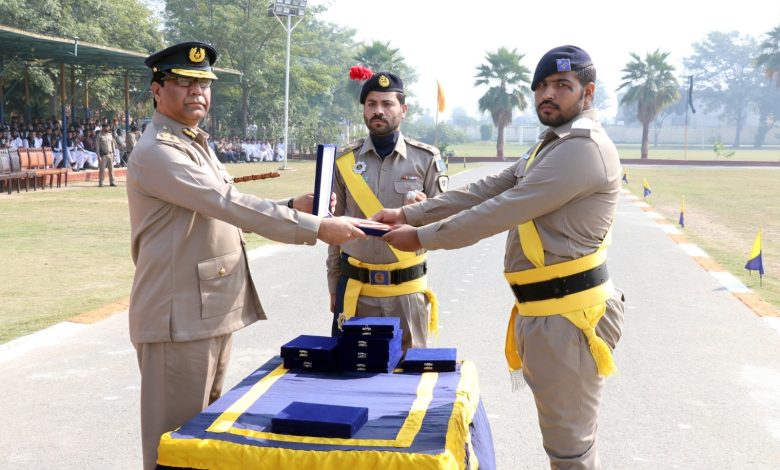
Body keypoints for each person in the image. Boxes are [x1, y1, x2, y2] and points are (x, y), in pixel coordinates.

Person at [374, 46, 625, 469]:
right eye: (542, 86)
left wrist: (419, 237)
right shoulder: (553, 144)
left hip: (570, 318)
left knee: (571, 451)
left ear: (588, 92)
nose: (548, 94)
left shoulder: (583, 148)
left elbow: (502, 209)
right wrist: (408, 213)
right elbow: (488, 187)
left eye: (562, 86)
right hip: (548, 313)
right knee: (562, 442)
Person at [127, 41, 365, 470]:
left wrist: (295, 205)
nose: (197, 90)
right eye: (184, 81)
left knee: (202, 442)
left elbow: (226, 202)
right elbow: (227, 204)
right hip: (175, 318)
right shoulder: (159, 150)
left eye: (204, 83)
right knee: (174, 446)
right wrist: (316, 227)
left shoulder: (193, 143)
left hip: (204, 312)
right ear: (157, 89)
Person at [327, 71, 449, 351]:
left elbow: (447, 222)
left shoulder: (426, 159)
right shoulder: (344, 160)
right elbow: (333, 227)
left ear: (403, 109)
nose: (378, 111)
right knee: (351, 376)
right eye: (371, 104)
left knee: (409, 382)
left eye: (387, 103)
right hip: (356, 294)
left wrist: (420, 214)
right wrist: (334, 283)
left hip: (407, 293)